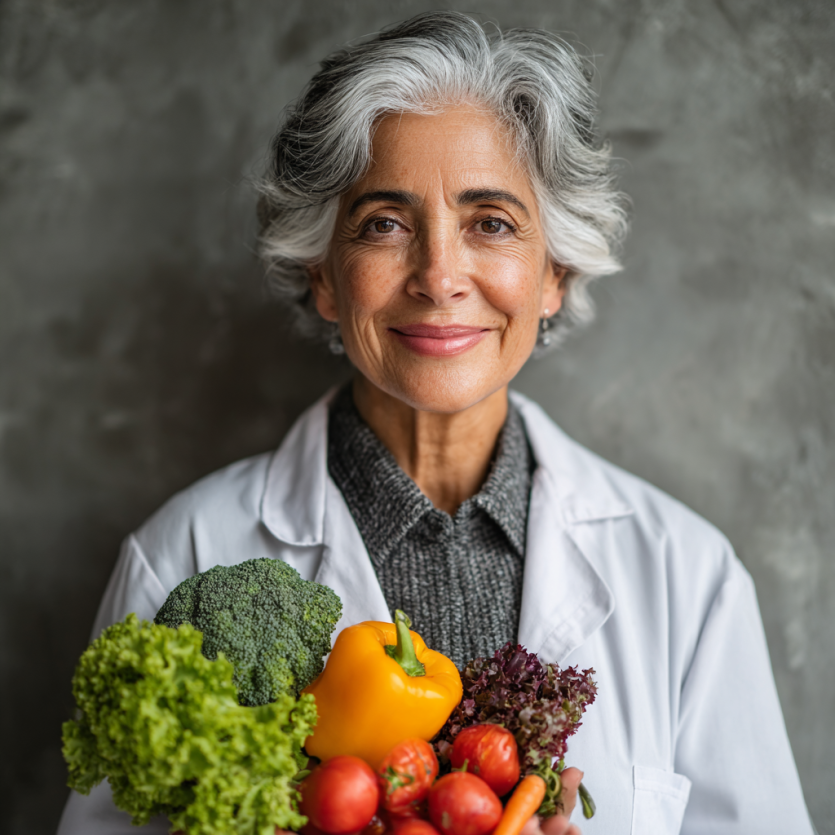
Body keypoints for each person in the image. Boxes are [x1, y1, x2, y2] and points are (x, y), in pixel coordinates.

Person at [57, 12, 813, 835]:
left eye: (491, 222)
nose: (439, 275)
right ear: (322, 274)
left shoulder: (687, 575)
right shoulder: (185, 554)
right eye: (384, 223)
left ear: (553, 273)